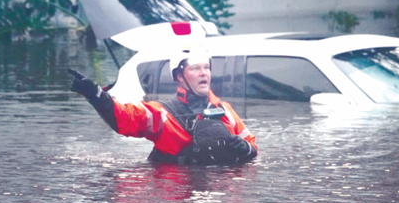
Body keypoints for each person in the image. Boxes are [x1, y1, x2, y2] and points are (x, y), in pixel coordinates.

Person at [68, 44, 257, 165]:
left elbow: (252, 147)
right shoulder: (161, 114)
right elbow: (123, 117)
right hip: (176, 201)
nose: (203, 73)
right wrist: (95, 94)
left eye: (206, 68)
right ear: (179, 77)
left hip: (216, 199)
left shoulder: (225, 111)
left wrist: (246, 149)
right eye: (195, 68)